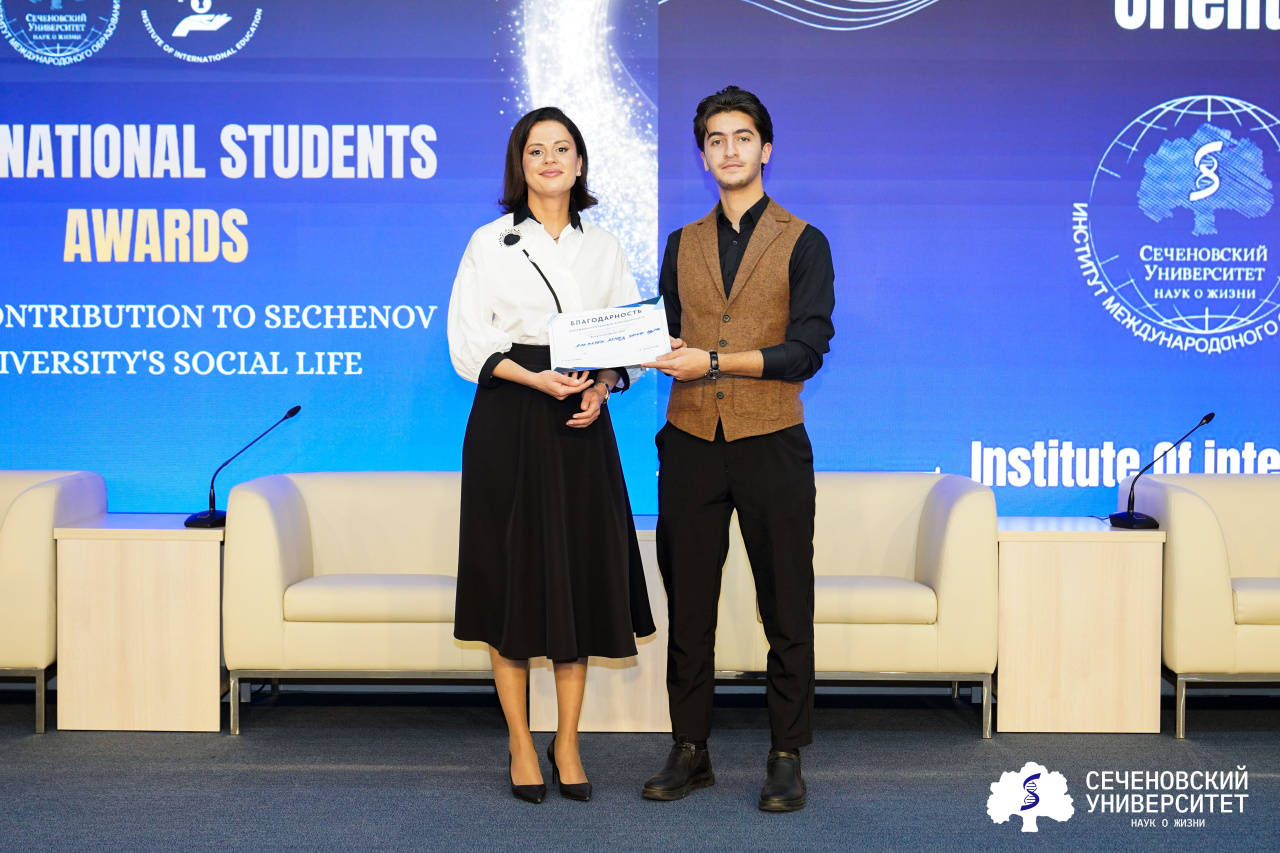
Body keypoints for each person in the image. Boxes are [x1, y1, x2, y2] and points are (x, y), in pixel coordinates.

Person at [447, 106, 656, 805]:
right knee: (509, 579)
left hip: (580, 422)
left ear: (580, 162)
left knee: (576, 578)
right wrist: (535, 378)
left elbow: (631, 339)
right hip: (510, 413)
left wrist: (602, 387)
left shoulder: (605, 245)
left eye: (562, 148)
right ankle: (518, 739)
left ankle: (567, 740)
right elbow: (467, 341)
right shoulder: (489, 241)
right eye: (536, 150)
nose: (550, 160)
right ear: (520, 163)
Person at [640, 86, 836, 813]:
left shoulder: (804, 240)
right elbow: (663, 336)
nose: (730, 150)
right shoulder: (681, 242)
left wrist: (717, 362)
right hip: (690, 441)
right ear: (703, 156)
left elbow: (806, 349)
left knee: (787, 604)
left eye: (743, 137)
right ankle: (689, 748)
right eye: (716, 139)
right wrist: (610, 367)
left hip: (772, 441)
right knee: (689, 605)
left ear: (766, 148)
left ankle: (786, 754)